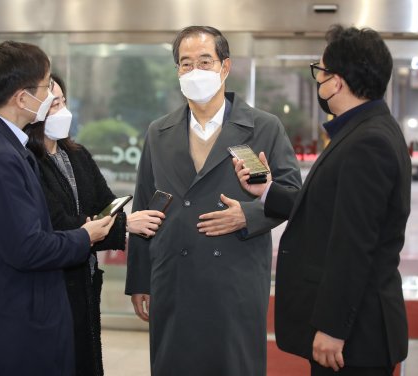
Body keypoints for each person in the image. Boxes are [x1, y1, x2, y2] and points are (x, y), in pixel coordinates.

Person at [124, 25, 302, 376]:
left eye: (205, 61)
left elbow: (294, 196)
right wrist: (140, 280)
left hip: (233, 277)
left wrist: (248, 216)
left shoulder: (264, 128)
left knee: (232, 366)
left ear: (225, 67)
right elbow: (145, 206)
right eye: (185, 64)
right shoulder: (159, 132)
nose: (195, 71)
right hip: (173, 276)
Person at [234, 25, 411, 376]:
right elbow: (329, 210)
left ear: (338, 81)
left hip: (355, 335)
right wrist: (268, 191)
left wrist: (332, 328)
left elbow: (354, 244)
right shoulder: (364, 131)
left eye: (321, 71)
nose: (319, 81)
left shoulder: (367, 143)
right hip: (356, 328)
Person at [0, 41, 116, 376]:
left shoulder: (0, 143)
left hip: (10, 315)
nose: (52, 94)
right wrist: (84, 236)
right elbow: (27, 248)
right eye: (47, 85)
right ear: (23, 98)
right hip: (7, 325)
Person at [24, 74, 165, 376]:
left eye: (62, 102)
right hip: (53, 284)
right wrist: (124, 224)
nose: (60, 111)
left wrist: (110, 219)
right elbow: (58, 223)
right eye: (52, 106)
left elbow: (105, 202)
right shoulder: (28, 162)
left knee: (86, 358)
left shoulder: (76, 154)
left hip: (85, 280)